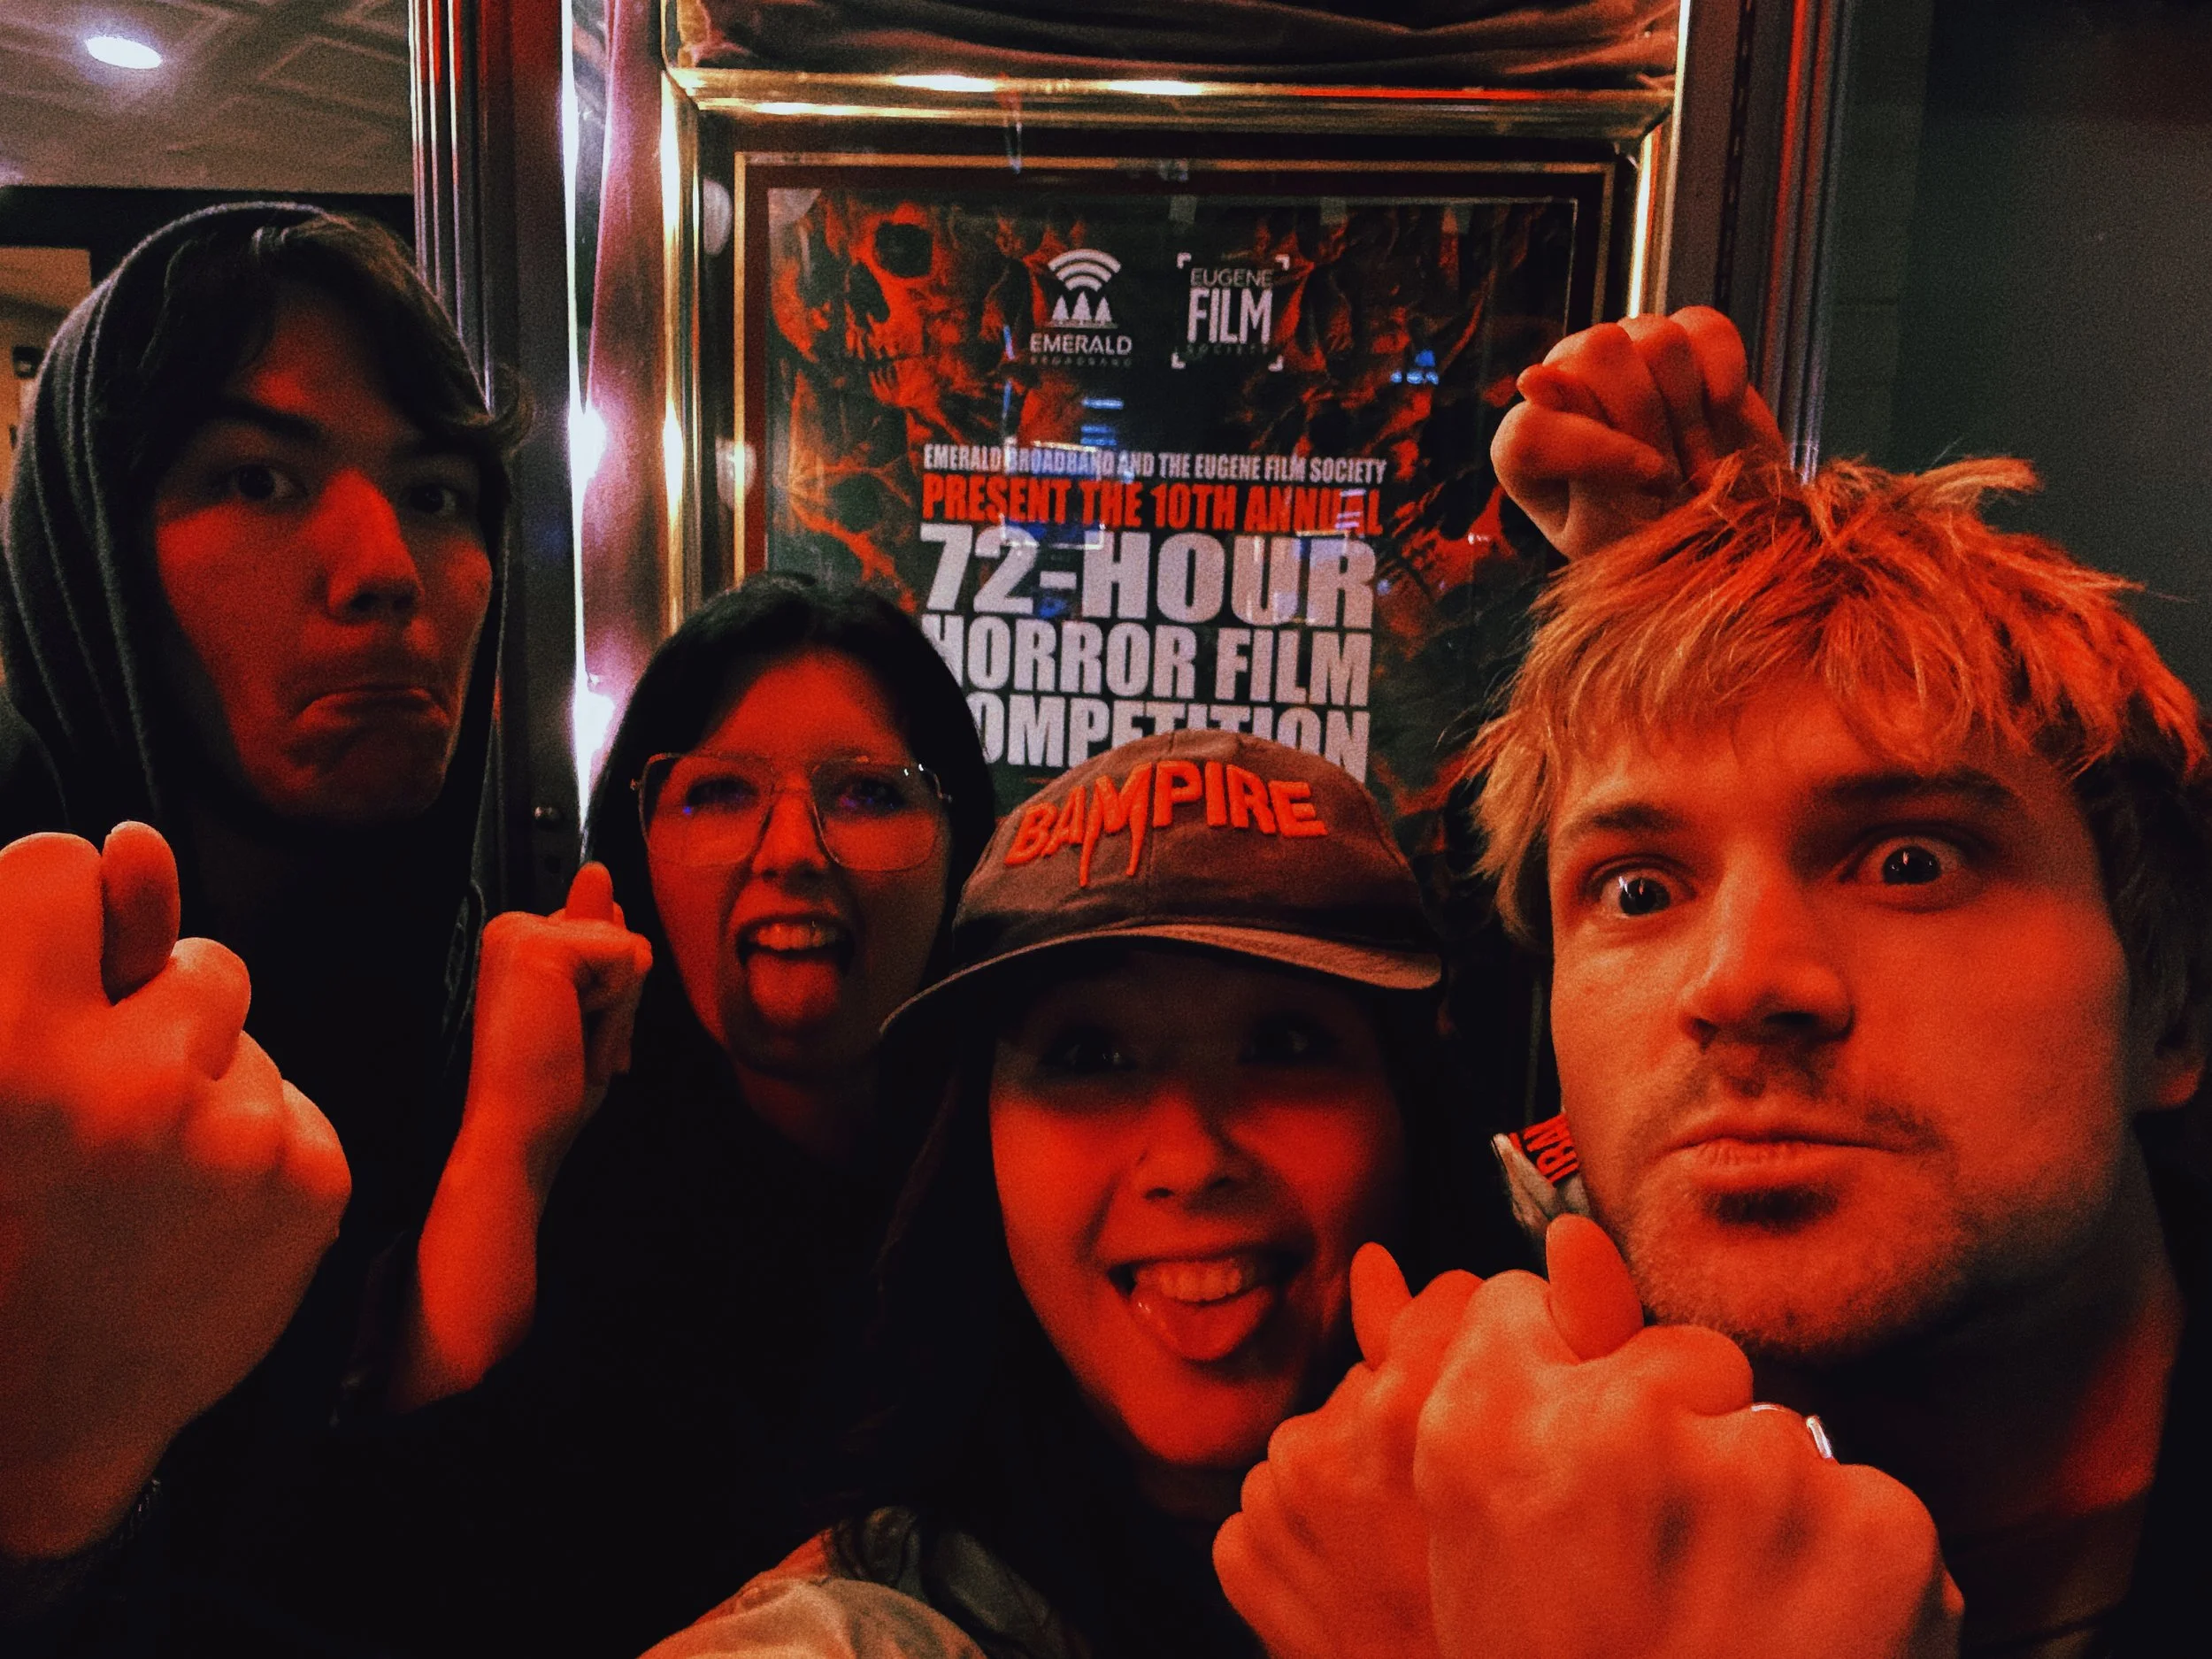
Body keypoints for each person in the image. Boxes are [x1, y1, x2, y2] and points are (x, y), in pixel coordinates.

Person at [1221, 429, 2212, 1655]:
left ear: (2171, 1004)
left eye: (1909, 862)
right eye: (1638, 889)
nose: (1738, 981)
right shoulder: (1387, 1505)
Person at [635, 728, 1517, 1659]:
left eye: (1283, 1044)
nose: (1189, 1159)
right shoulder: (867, 1628)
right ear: (981, 1151)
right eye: (1090, 1055)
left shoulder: (1592, 1490)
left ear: (1408, 1111)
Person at [0, 203, 518, 1654]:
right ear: (94, 553)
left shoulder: (486, 995)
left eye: (438, 493)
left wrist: (511, 1153)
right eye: (257, 479)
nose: (385, 566)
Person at [357, 572, 999, 1659]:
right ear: (639, 846)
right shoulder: (573, 1174)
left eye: (866, 793)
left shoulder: (1028, 1181)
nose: (791, 850)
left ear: (960, 845)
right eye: (721, 793)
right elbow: (416, 1560)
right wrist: (510, 1145)